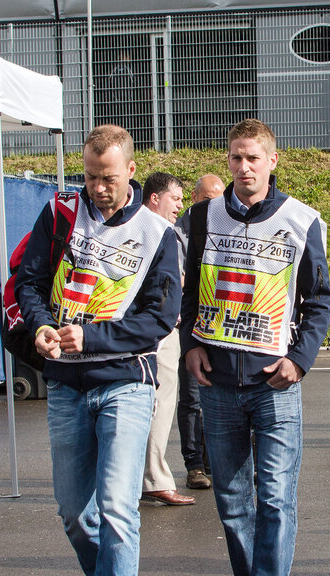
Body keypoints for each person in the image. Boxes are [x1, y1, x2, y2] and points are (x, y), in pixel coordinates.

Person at [15, 125, 181, 576]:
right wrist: (41, 326)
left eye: (108, 178)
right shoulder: (59, 213)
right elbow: (27, 282)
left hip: (126, 382)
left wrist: (93, 337)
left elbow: (159, 320)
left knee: (117, 510)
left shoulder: (158, 234)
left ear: (131, 171)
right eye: (90, 177)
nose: (99, 188)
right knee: (74, 514)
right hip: (66, 384)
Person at [180, 118, 330, 576]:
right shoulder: (203, 216)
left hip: (275, 383)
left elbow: (320, 297)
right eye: (236, 158)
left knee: (276, 497)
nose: (244, 167)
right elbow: (191, 292)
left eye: (253, 158)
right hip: (218, 382)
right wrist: (190, 343)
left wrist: (300, 360)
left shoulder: (301, 220)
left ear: (272, 161)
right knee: (231, 501)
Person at [138, 172, 195, 506]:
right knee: (158, 405)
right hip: (157, 332)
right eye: (175, 198)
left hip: (154, 330)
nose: (180, 205)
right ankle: (154, 478)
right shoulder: (156, 231)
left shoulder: (147, 227)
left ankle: (145, 477)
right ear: (155, 197)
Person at [175, 173, 226, 491]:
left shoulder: (228, 223)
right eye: (209, 199)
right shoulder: (180, 229)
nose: (215, 205)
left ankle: (215, 462)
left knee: (222, 399)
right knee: (192, 398)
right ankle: (195, 465)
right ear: (195, 198)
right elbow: (177, 274)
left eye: (219, 199)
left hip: (224, 327)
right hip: (192, 326)